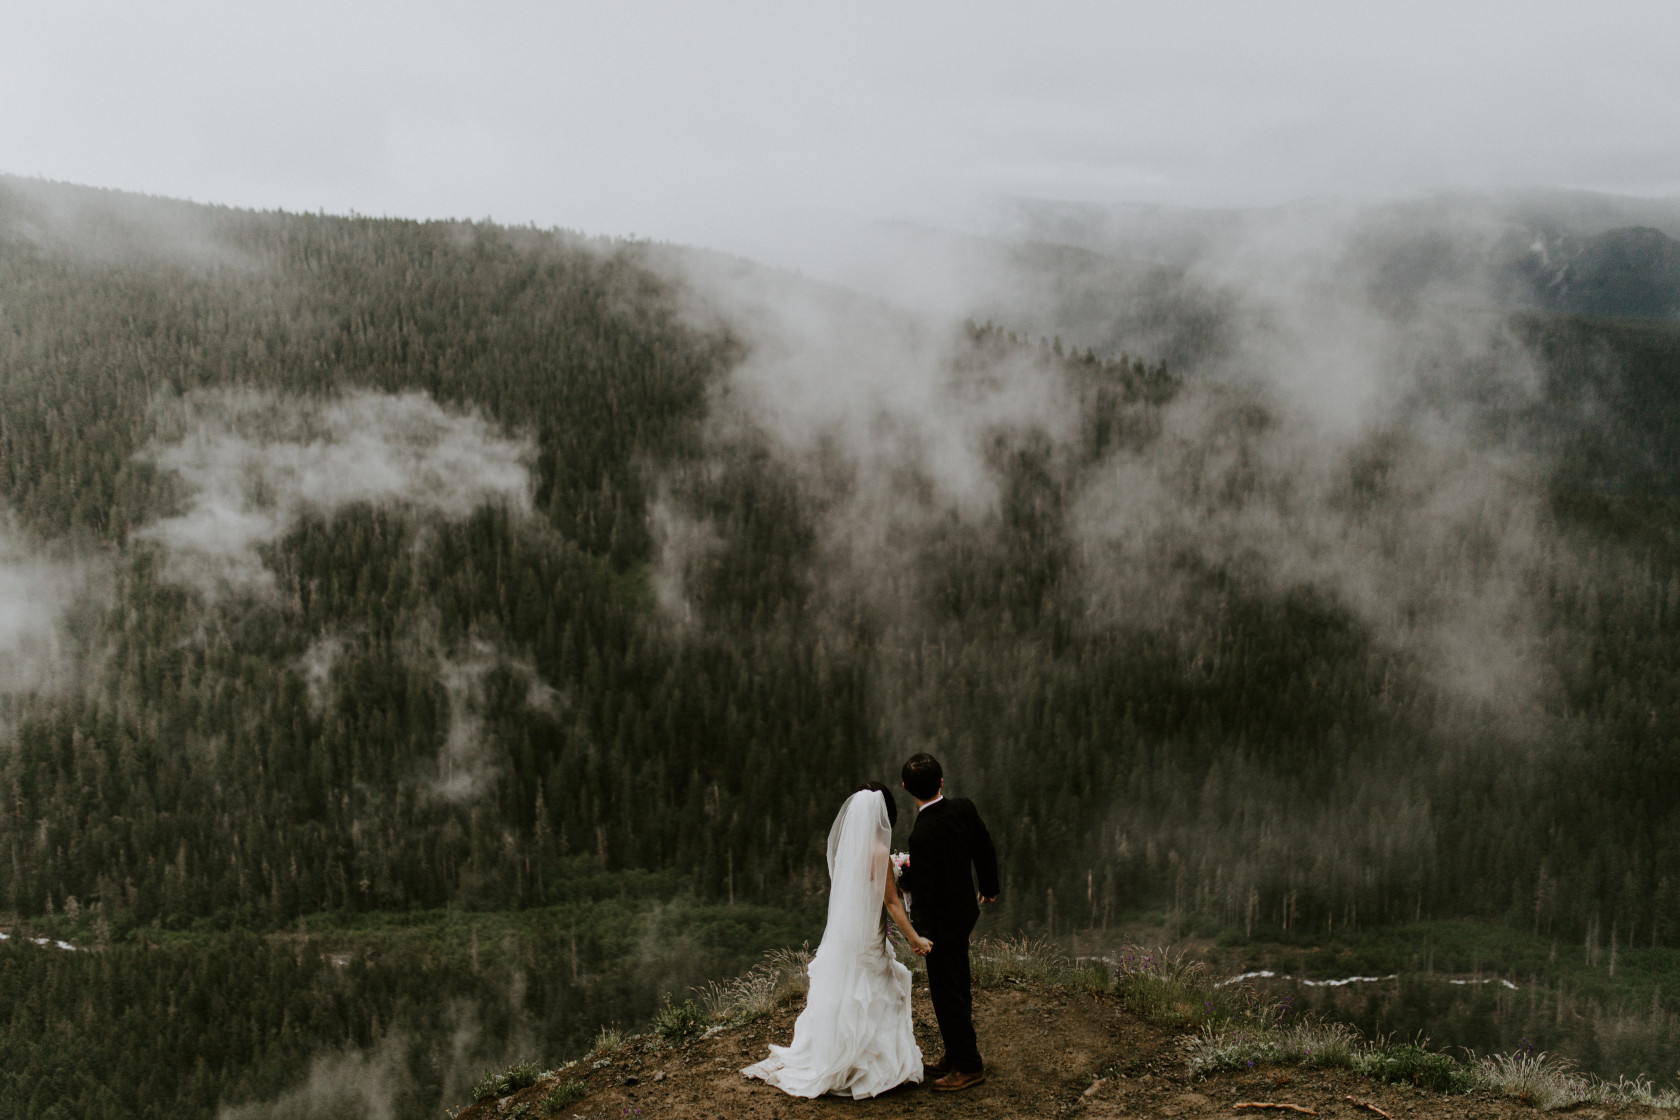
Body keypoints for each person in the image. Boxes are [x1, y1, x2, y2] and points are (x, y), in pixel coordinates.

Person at [742, 782, 933, 1098]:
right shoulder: (880, 852)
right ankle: (870, 1068)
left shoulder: (848, 848)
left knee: (846, 993)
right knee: (875, 991)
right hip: (869, 934)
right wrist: (915, 938)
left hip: (847, 936)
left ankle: (840, 1056)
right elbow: (891, 903)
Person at [897, 752, 998, 1092]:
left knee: (947, 993)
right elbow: (983, 847)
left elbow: (925, 889)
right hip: (964, 913)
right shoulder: (964, 807)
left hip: (941, 925)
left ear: (907, 789)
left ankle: (969, 1065)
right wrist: (989, 885)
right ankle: (956, 1054)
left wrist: (919, 934)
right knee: (958, 985)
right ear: (941, 782)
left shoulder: (922, 832)